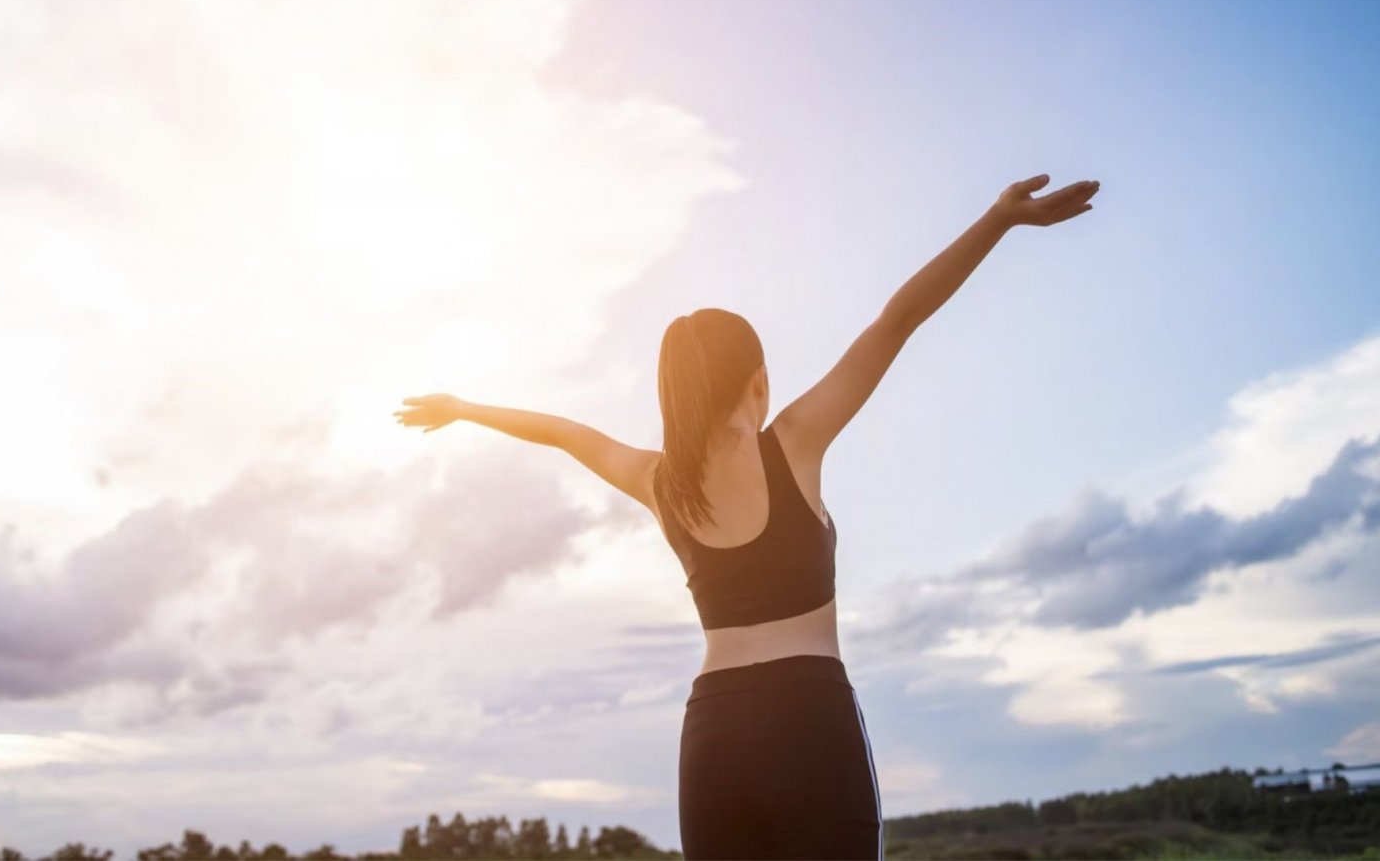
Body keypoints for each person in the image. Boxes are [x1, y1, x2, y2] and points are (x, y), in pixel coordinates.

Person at [394, 173, 1099, 860]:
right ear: (758, 380)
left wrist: (462, 408)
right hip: (810, 717)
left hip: (716, 730)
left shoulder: (657, 481)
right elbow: (900, 318)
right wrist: (998, 221)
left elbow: (563, 431)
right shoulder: (795, 443)